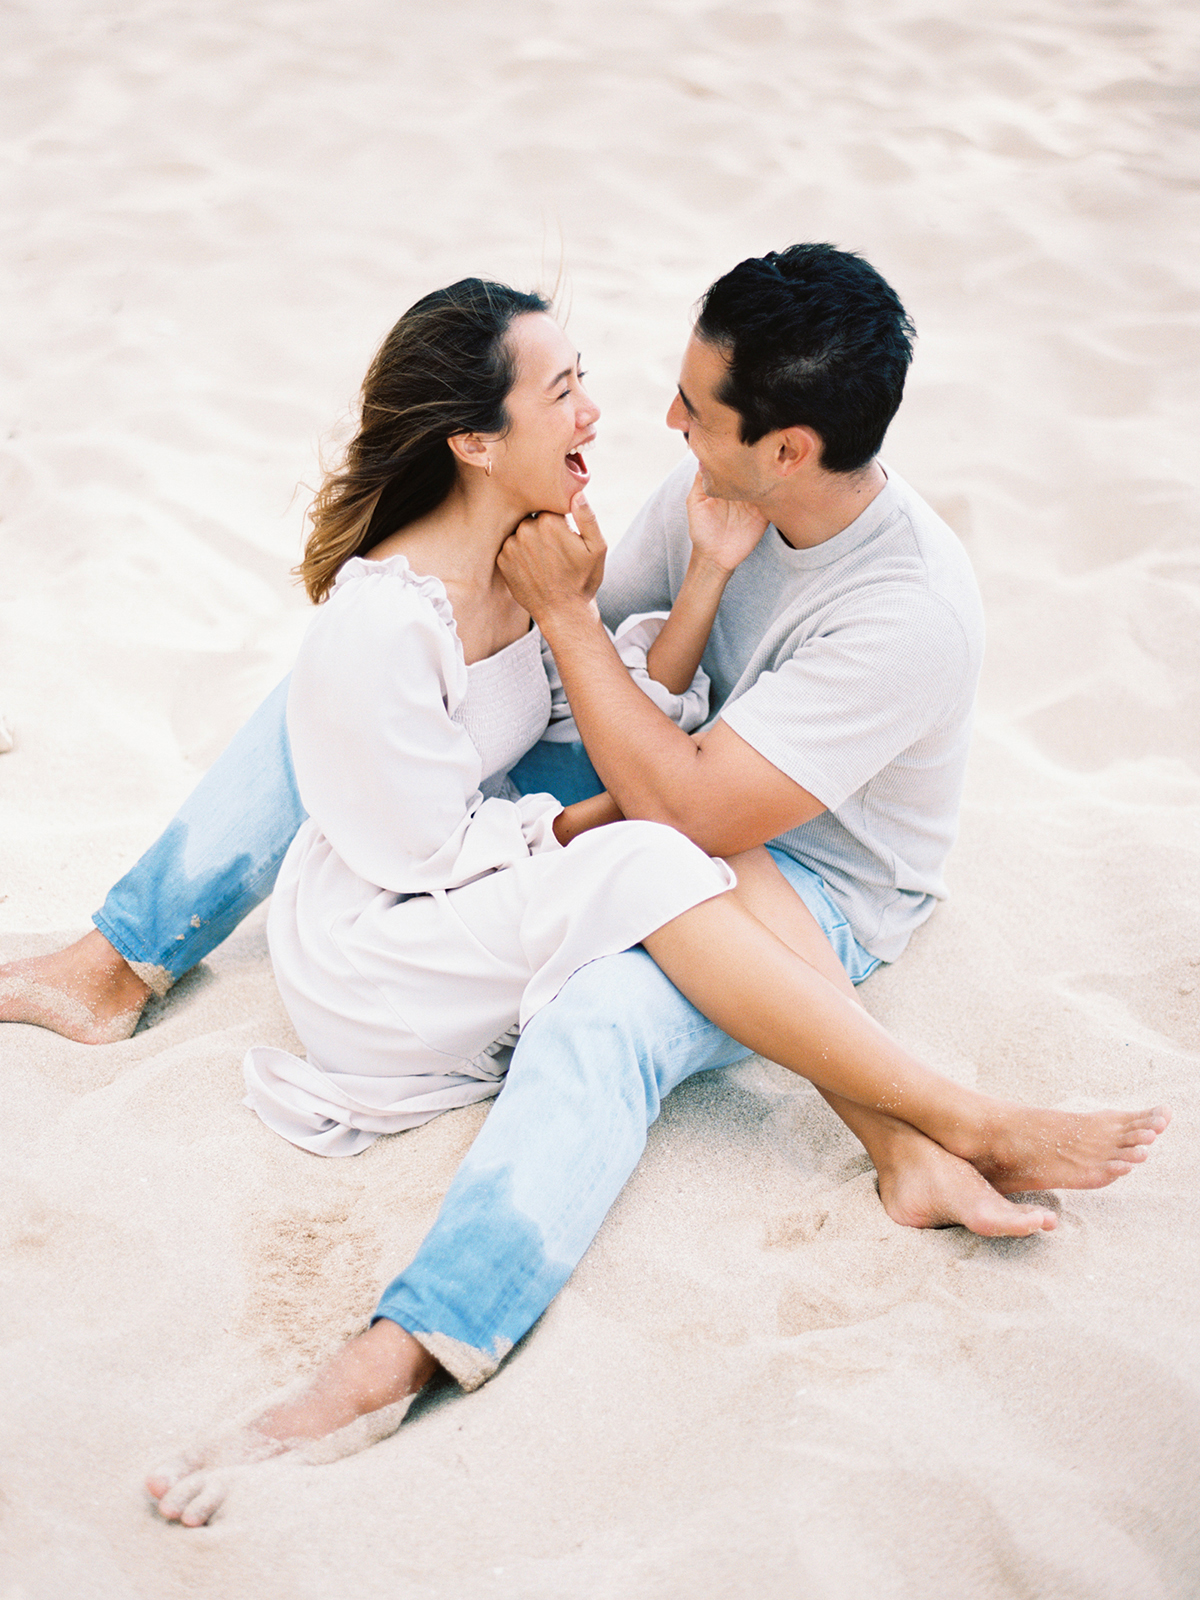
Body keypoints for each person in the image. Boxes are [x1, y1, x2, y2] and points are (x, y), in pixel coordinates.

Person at [0, 251, 1167, 1525]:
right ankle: (118, 962)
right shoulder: (719, 491)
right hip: (662, 779)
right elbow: (534, 618)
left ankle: (404, 1349)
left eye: (696, 410)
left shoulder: (908, 611)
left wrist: (561, 642)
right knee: (336, 698)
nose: (664, 425)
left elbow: (690, 815)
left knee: (601, 1018)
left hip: (809, 885)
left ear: (785, 449)